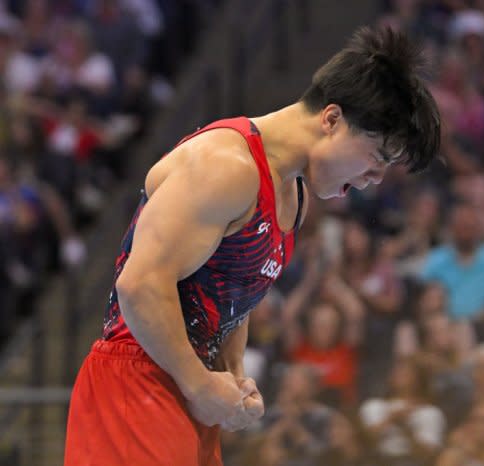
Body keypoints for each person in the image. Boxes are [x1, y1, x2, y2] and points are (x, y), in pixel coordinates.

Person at [64, 26, 441, 466]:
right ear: (332, 119)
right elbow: (141, 286)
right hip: (137, 382)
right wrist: (201, 386)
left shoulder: (293, 197)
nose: (374, 179)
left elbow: (232, 295)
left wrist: (234, 378)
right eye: (378, 158)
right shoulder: (226, 167)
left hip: (185, 384)